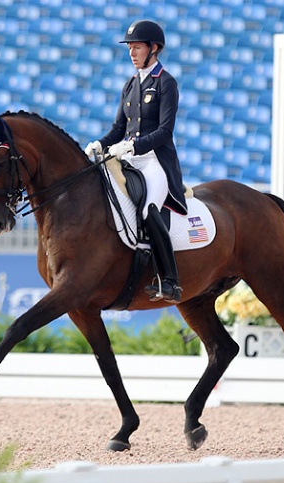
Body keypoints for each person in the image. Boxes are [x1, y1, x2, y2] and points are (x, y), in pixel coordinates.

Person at [84, 20, 187, 304]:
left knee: (147, 210)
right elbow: (119, 128)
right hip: (127, 159)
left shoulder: (166, 82)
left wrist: (132, 146)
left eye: (137, 47)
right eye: (130, 47)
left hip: (154, 161)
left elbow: (165, 131)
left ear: (154, 48)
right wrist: (100, 144)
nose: (132, 52)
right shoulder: (130, 84)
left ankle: (170, 280)